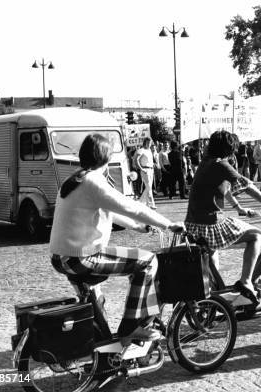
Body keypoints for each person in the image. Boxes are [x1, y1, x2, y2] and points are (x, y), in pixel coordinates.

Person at [49, 134, 183, 341]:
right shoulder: (93, 182)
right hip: (81, 258)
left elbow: (114, 212)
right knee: (147, 261)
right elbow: (132, 207)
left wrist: (140, 227)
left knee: (97, 300)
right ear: (106, 158)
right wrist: (168, 224)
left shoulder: (76, 179)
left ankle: (101, 344)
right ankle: (130, 326)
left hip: (60, 257)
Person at [184, 130, 261, 302]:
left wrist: (238, 208)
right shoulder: (220, 165)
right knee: (256, 235)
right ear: (229, 149)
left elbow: (224, 189)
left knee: (212, 270)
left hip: (193, 224)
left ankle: (213, 303)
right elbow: (248, 186)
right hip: (208, 225)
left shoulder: (206, 162)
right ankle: (246, 282)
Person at [135, 138, 156, 209]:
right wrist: (141, 168)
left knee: (148, 187)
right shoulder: (141, 150)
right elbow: (136, 160)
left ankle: (140, 203)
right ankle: (151, 204)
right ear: (145, 143)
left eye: (150, 143)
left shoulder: (149, 150)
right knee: (149, 187)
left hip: (151, 170)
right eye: (148, 143)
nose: (149, 144)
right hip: (145, 170)